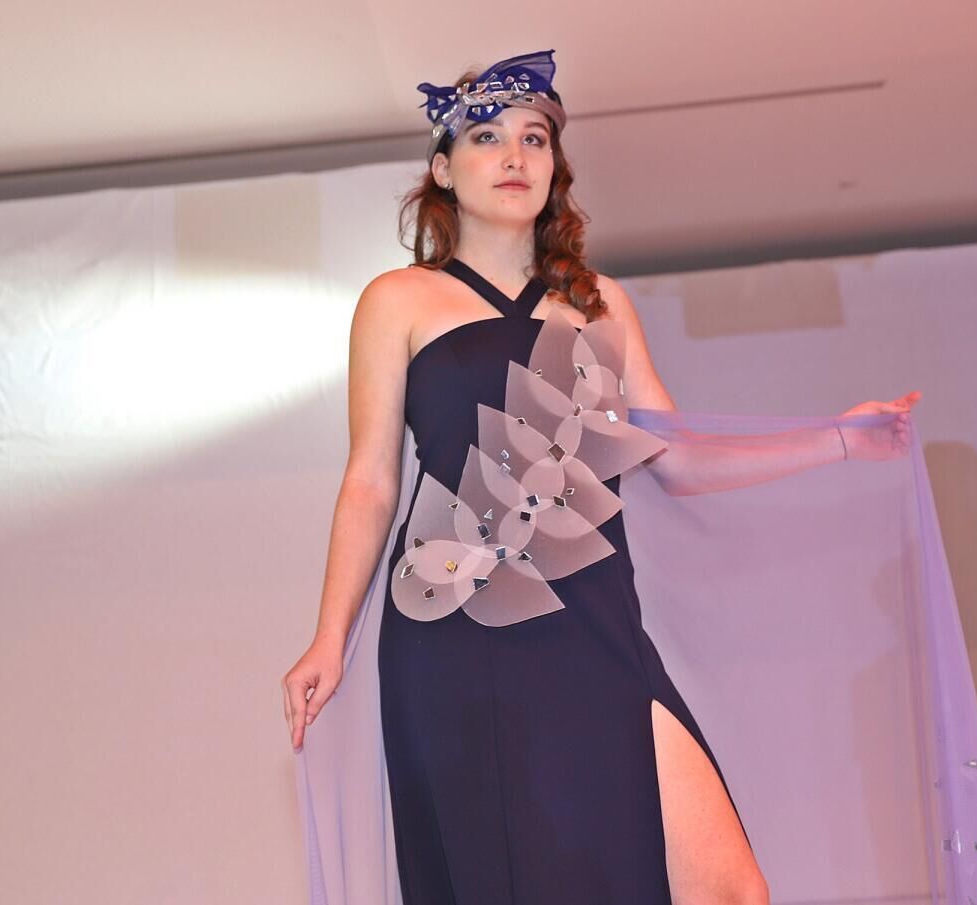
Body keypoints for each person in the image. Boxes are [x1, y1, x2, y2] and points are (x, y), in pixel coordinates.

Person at [281, 49, 920, 905]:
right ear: (444, 169)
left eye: (534, 138)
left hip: (594, 625)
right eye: (486, 137)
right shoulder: (398, 299)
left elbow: (676, 457)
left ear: (555, 165)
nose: (514, 155)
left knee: (732, 889)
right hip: (458, 632)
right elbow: (370, 481)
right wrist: (329, 636)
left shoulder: (599, 303)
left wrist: (839, 439)